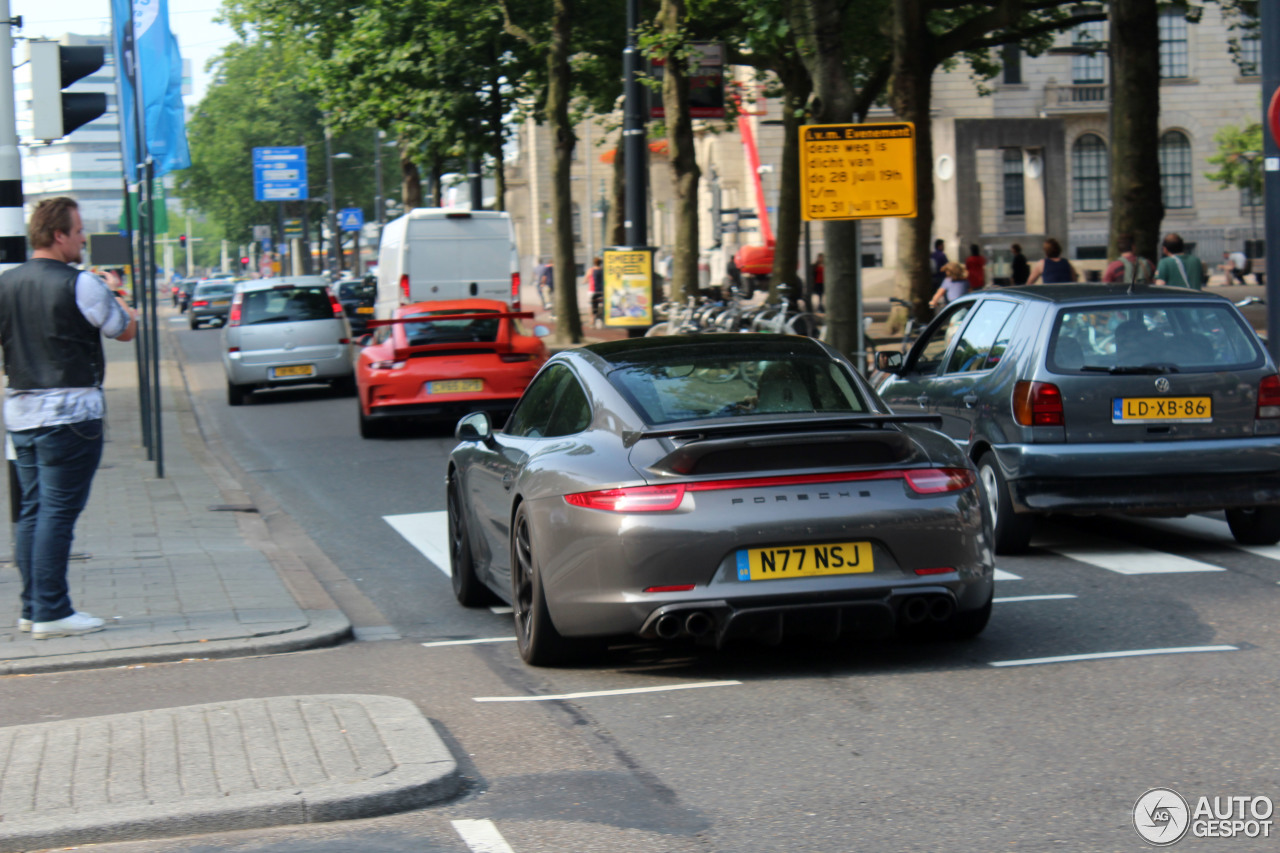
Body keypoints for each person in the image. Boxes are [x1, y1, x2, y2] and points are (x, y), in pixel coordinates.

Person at [0, 197, 137, 639]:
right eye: (78, 232)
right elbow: (122, 329)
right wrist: (121, 296)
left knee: (33, 512)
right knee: (58, 514)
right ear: (59, 235)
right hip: (71, 415)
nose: (83, 240)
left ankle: (32, 607)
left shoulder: (5, 283)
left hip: (21, 415)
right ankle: (53, 611)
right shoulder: (80, 284)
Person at [585, 257, 604, 327]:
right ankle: (600, 319)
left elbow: (586, 279)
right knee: (601, 304)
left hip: (592, 291)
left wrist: (585, 282)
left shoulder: (591, 270)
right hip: (601, 291)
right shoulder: (603, 270)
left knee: (591, 306)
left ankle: (592, 320)